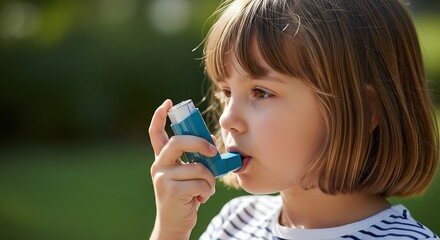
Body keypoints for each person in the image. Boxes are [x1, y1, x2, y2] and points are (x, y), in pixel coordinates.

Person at [148, 0, 439, 239]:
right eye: (226, 92)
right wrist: (170, 230)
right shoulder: (234, 224)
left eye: (261, 92)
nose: (226, 119)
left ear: (365, 111)